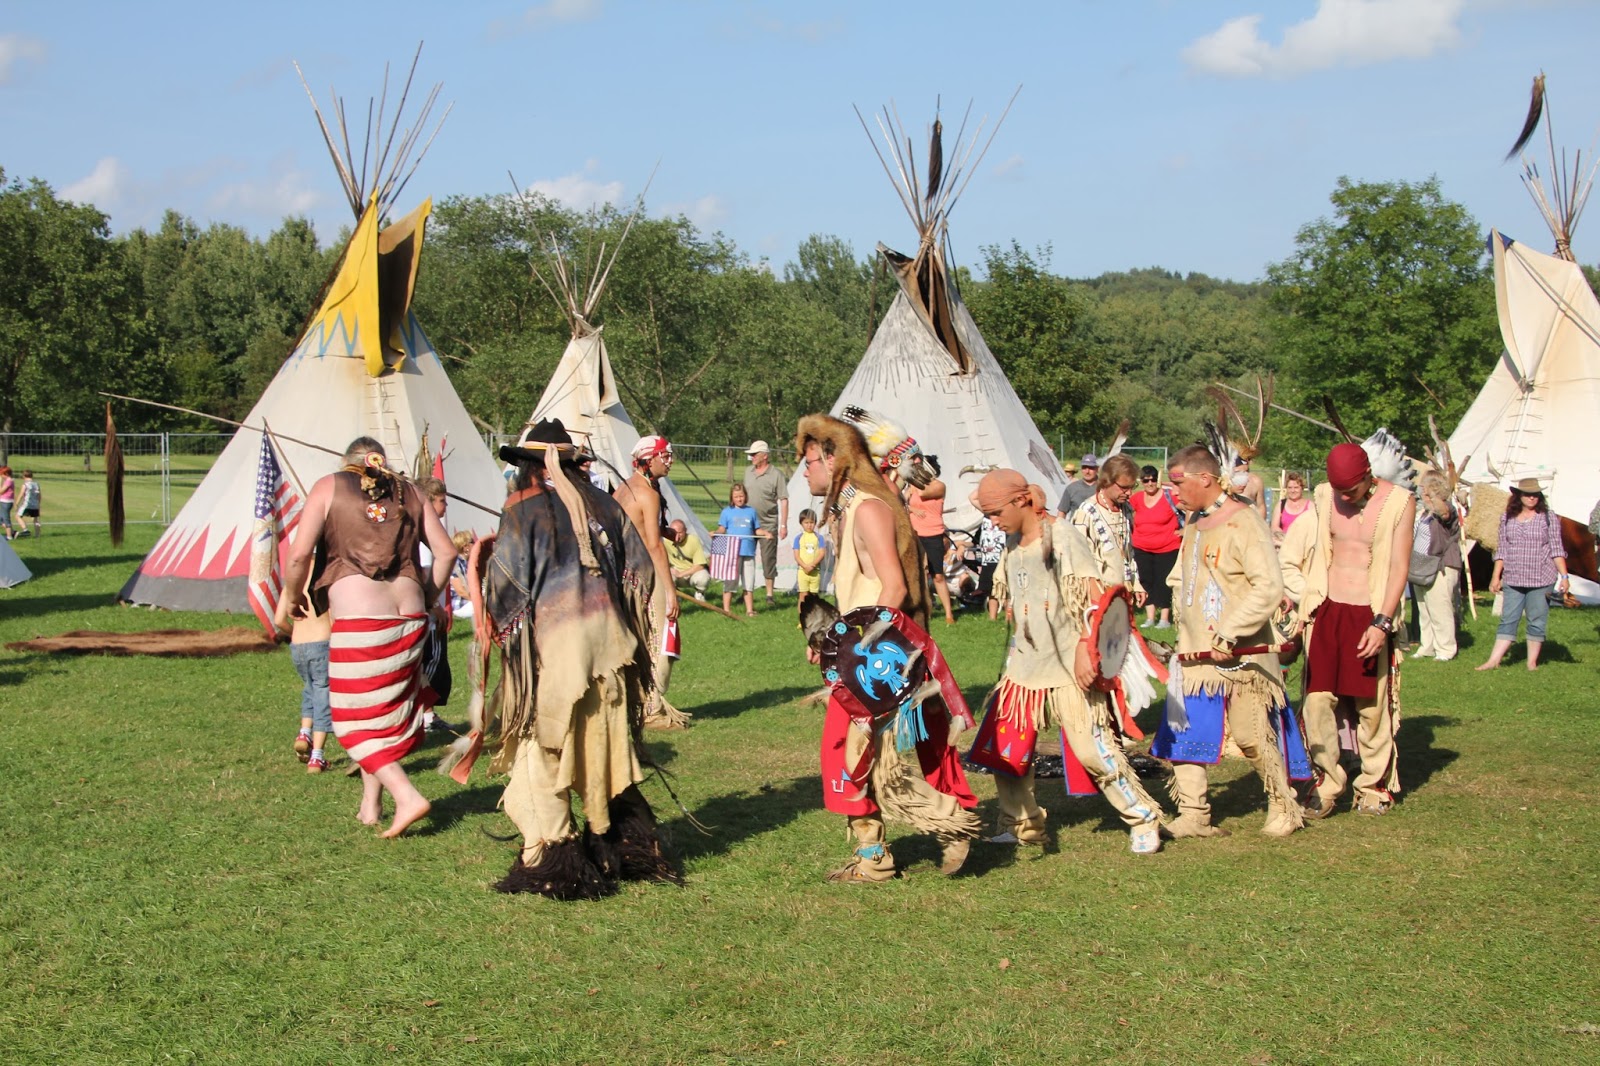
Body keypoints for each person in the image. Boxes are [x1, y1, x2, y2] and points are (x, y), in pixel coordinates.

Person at [480, 421, 679, 898]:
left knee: (541, 761)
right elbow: (639, 572)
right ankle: (629, 848)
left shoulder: (520, 509)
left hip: (557, 661)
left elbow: (506, 591)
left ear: (529, 465)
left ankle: (556, 864)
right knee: (603, 756)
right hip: (611, 654)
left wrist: (488, 566)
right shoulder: (605, 502)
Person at [795, 413, 980, 882]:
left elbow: (893, 589)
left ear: (835, 461)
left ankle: (945, 824)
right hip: (861, 653)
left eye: (810, 460)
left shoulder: (870, 509)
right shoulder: (852, 507)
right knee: (852, 755)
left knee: (853, 754)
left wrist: (856, 653)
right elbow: (864, 588)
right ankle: (875, 854)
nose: (804, 470)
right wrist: (832, 639)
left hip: (877, 660)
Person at [973, 469, 1166, 854]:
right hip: (1024, 669)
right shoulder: (1012, 541)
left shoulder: (1063, 537)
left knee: (1093, 752)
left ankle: (1143, 816)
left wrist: (1085, 648)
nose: (993, 522)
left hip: (1067, 666)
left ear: (1020, 500)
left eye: (996, 512)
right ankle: (1022, 824)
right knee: (1006, 754)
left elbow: (1097, 600)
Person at [276, 437, 456, 838]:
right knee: (385, 716)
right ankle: (370, 806)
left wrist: (291, 595)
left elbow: (298, 555)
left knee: (351, 720)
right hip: (409, 616)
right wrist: (427, 597)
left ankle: (407, 796)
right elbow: (445, 552)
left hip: (362, 620)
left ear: (347, 463)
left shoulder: (329, 486)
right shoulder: (409, 491)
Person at [1150, 444, 1305, 839]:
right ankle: (1194, 815)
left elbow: (1268, 586)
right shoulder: (1194, 523)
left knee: (1254, 737)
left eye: (1179, 482)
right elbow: (1186, 577)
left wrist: (1229, 631)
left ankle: (1283, 804)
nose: (1173, 490)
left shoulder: (1244, 521)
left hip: (1239, 656)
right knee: (1183, 736)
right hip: (1194, 652)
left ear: (1205, 478)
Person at [1300, 442, 1414, 819]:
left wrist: (1382, 622)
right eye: (1339, 491)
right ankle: (1328, 782)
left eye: (1351, 490)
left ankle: (1372, 784)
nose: (1345, 497)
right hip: (1328, 608)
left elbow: (1399, 567)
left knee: (1372, 706)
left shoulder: (1399, 502)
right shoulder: (1322, 497)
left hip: (1370, 610)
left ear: (1368, 476)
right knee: (1317, 701)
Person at [614, 435, 683, 728]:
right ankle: (651, 709)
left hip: (622, 576)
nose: (669, 461)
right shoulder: (649, 494)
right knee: (663, 637)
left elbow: (638, 529)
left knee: (635, 640)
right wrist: (670, 592)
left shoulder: (621, 489)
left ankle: (634, 703)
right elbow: (653, 547)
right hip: (646, 576)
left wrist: (666, 531)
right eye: (664, 456)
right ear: (648, 459)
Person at [1478, 478, 1569, 671]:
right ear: (1518, 495)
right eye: (1527, 494)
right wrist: (1496, 576)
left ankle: (1531, 663)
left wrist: (1565, 576)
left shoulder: (1548, 517)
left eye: (1535, 494)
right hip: (1513, 577)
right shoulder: (1507, 518)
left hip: (1542, 577)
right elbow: (1502, 549)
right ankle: (1493, 660)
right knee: (1508, 618)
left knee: (1536, 619)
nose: (1531, 498)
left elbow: (1556, 548)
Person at [1070, 454, 1144, 606]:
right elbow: (1077, 559)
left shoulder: (1126, 509)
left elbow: (1128, 553)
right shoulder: (1086, 512)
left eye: (1132, 487)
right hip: (1095, 597)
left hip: (1122, 594)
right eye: (1124, 488)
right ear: (1107, 482)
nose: (1129, 493)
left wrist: (1136, 583)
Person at [415, 477, 455, 734]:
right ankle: (422, 715)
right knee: (427, 666)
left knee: (431, 666)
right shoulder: (424, 536)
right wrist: (433, 606)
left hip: (429, 611)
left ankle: (427, 714)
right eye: (441, 500)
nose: (446, 505)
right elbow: (422, 574)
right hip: (427, 614)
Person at [1411, 471, 1463, 662]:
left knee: (1440, 609)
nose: (1422, 494)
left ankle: (1446, 649)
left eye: (1425, 491)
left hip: (1441, 566)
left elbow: (1445, 514)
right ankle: (1427, 647)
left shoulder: (1446, 510)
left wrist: (1433, 495)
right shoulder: (1424, 513)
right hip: (1421, 566)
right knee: (1424, 609)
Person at [288, 567, 333, 774]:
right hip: (322, 642)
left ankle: (304, 733)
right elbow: (334, 619)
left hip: (298, 646)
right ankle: (317, 756)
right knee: (323, 693)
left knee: (310, 688)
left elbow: (280, 619)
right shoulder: (326, 580)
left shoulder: (293, 584)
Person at [1130, 463, 1181, 628]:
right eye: (1146, 480)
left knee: (1164, 581)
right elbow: (1125, 509)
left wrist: (1185, 529)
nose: (1150, 483)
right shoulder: (1137, 498)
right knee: (1146, 581)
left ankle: (1164, 618)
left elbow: (1189, 506)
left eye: (1152, 479)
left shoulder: (1169, 496)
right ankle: (1150, 617)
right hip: (1142, 547)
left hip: (1167, 546)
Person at [907, 465, 957, 624]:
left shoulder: (938, 486)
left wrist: (913, 488)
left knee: (938, 575)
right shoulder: (911, 488)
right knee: (920, 574)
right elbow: (901, 503)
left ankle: (949, 614)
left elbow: (923, 494)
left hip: (933, 533)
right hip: (916, 533)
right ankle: (924, 610)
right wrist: (912, 508)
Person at [742, 440, 788, 607]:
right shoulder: (748, 472)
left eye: (754, 455)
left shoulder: (776, 475)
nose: (752, 458)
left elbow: (783, 500)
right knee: (746, 557)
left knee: (768, 559)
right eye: (751, 455)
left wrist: (783, 525)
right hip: (748, 524)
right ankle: (746, 591)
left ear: (765, 456)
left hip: (768, 524)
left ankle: (769, 594)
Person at [715, 484, 765, 617]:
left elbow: (757, 530)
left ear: (746, 496)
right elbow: (722, 529)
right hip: (732, 551)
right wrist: (716, 532)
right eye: (736, 496)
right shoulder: (726, 512)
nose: (739, 499)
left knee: (749, 581)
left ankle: (749, 610)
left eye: (741, 496)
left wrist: (765, 533)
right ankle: (726, 609)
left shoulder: (751, 511)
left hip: (748, 551)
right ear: (732, 497)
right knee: (730, 580)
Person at [664, 519, 710, 601]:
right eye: (674, 533)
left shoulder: (693, 540)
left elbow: (700, 565)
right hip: (675, 572)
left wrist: (681, 574)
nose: (677, 536)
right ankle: (675, 594)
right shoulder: (665, 541)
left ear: (685, 530)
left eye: (680, 533)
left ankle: (700, 593)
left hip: (691, 573)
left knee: (703, 577)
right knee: (665, 575)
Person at [973, 513, 1006, 620]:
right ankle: (992, 618)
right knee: (991, 591)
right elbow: (973, 497)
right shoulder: (985, 520)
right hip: (988, 560)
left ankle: (1009, 617)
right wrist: (962, 546)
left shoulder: (1006, 519)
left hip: (1003, 558)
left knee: (1007, 590)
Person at [791, 508, 825, 611]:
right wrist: (805, 566)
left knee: (813, 596)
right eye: (806, 522)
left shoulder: (819, 538)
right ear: (801, 523)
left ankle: (813, 618)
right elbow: (797, 555)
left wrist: (812, 565)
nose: (809, 525)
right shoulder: (798, 538)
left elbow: (822, 553)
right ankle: (802, 619)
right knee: (803, 595)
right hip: (803, 572)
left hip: (815, 572)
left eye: (811, 522)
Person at [1271, 471, 1313, 547]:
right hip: (1283, 544)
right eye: (1290, 488)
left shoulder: (1310, 506)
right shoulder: (1281, 505)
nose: (1293, 491)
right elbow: (1274, 527)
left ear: (1302, 488)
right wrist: (1287, 539)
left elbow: (1313, 529)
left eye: (1296, 487)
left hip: (1303, 544)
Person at [15, 471, 40, 538]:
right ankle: (37, 535)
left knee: (18, 516)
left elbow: (21, 494)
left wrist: (16, 503)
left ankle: (25, 530)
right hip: (35, 505)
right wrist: (38, 504)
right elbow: (39, 495)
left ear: (24, 476)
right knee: (36, 520)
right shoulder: (36, 484)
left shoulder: (25, 485)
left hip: (27, 504)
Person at [0, 466, 14, 540]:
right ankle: (12, 532)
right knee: (1, 518)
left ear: (6, 474)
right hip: (4, 501)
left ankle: (9, 536)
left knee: (6, 519)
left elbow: (1, 491)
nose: (1, 476)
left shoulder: (9, 481)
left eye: (2, 474)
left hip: (6, 502)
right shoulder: (7, 481)